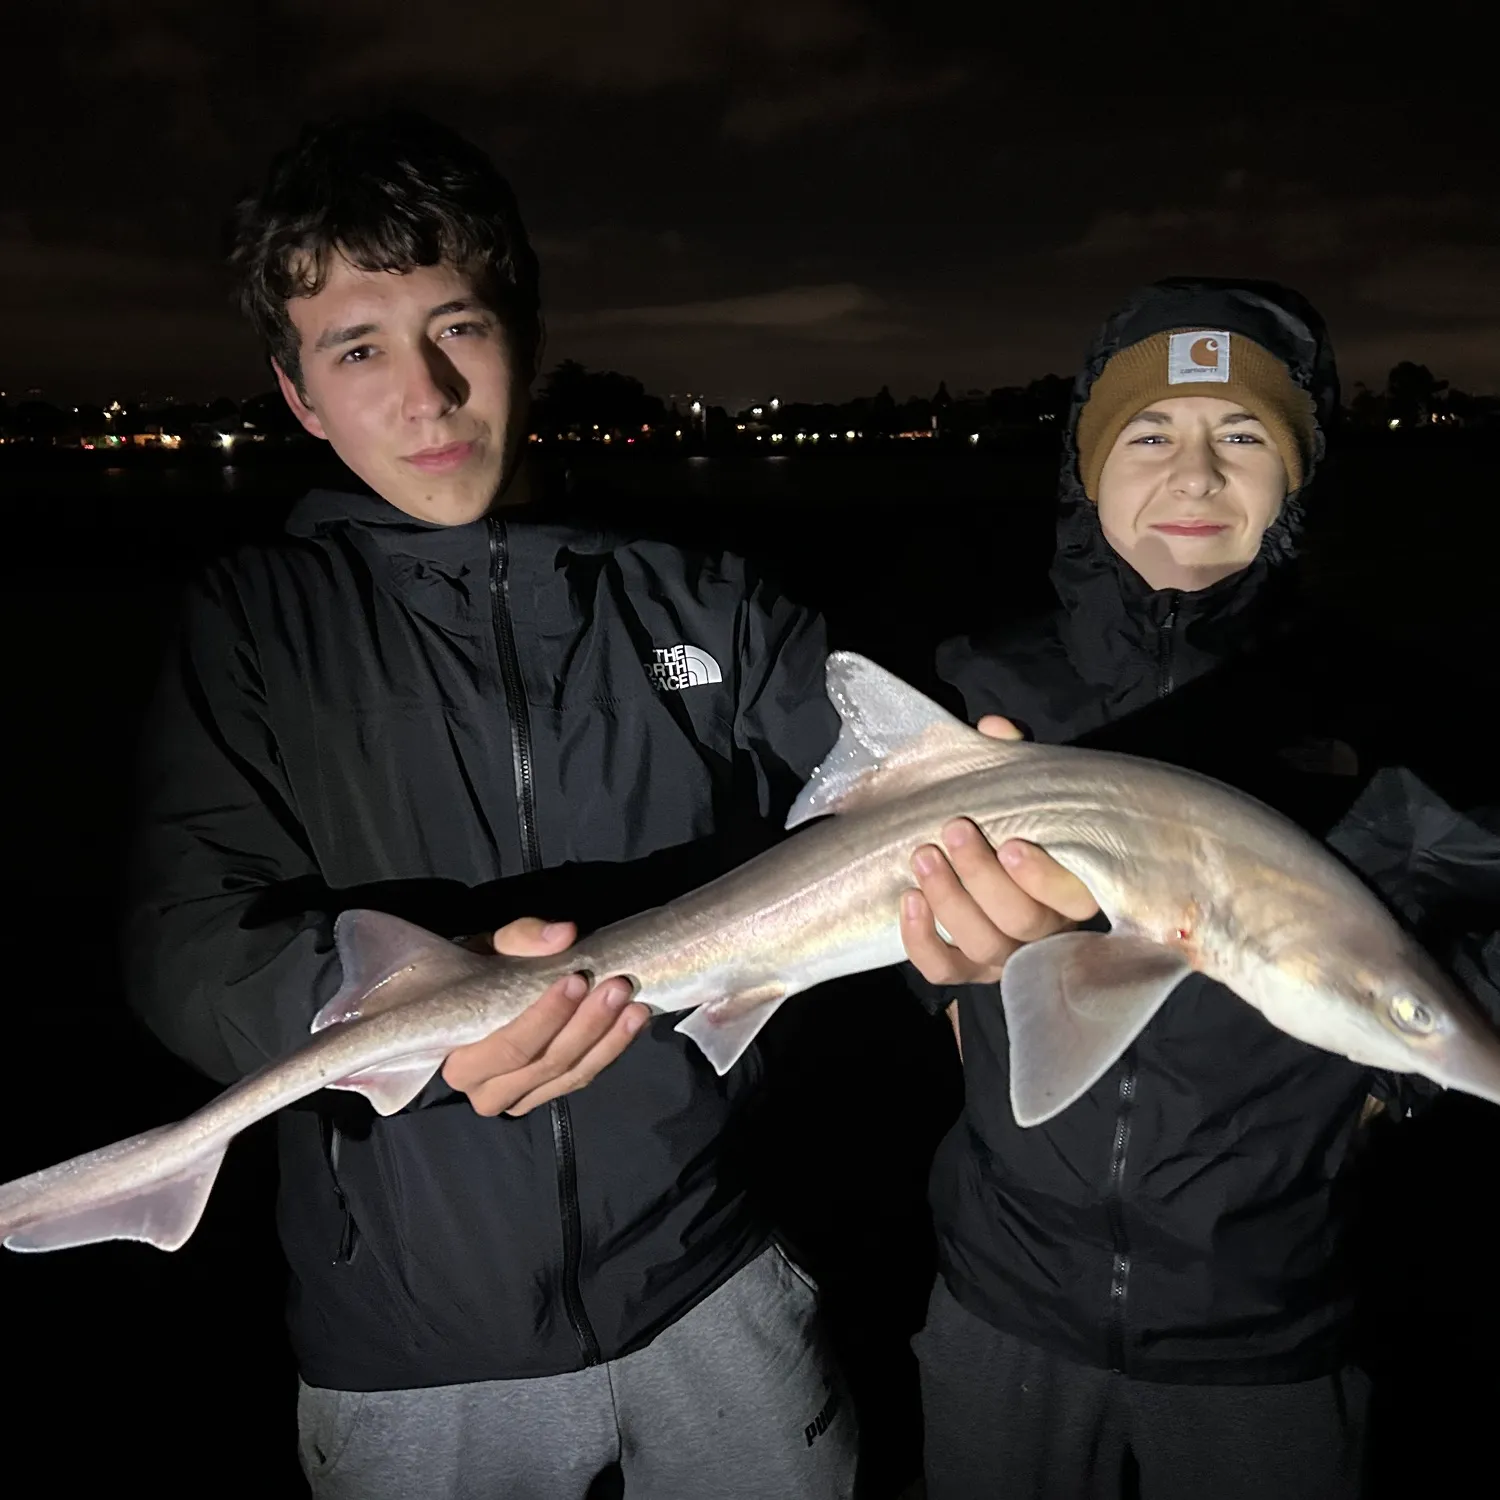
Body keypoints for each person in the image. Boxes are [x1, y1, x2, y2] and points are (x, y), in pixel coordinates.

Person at [121, 109, 1090, 1500]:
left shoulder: (709, 601)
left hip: (712, 1278)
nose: (427, 393)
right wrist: (372, 1019)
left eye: (458, 326)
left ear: (527, 327)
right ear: (298, 397)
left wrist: (999, 878)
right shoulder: (254, 625)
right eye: (358, 349)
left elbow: (893, 782)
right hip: (408, 1345)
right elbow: (179, 932)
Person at [909, 278, 1500, 1500]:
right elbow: (874, 897)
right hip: (1002, 1294)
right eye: (1150, 435)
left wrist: (1394, 1076)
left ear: (1295, 484)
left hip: (1268, 1323)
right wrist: (949, 995)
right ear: (1087, 474)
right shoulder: (985, 691)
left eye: (1242, 437)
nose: (1194, 477)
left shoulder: (1383, 713)